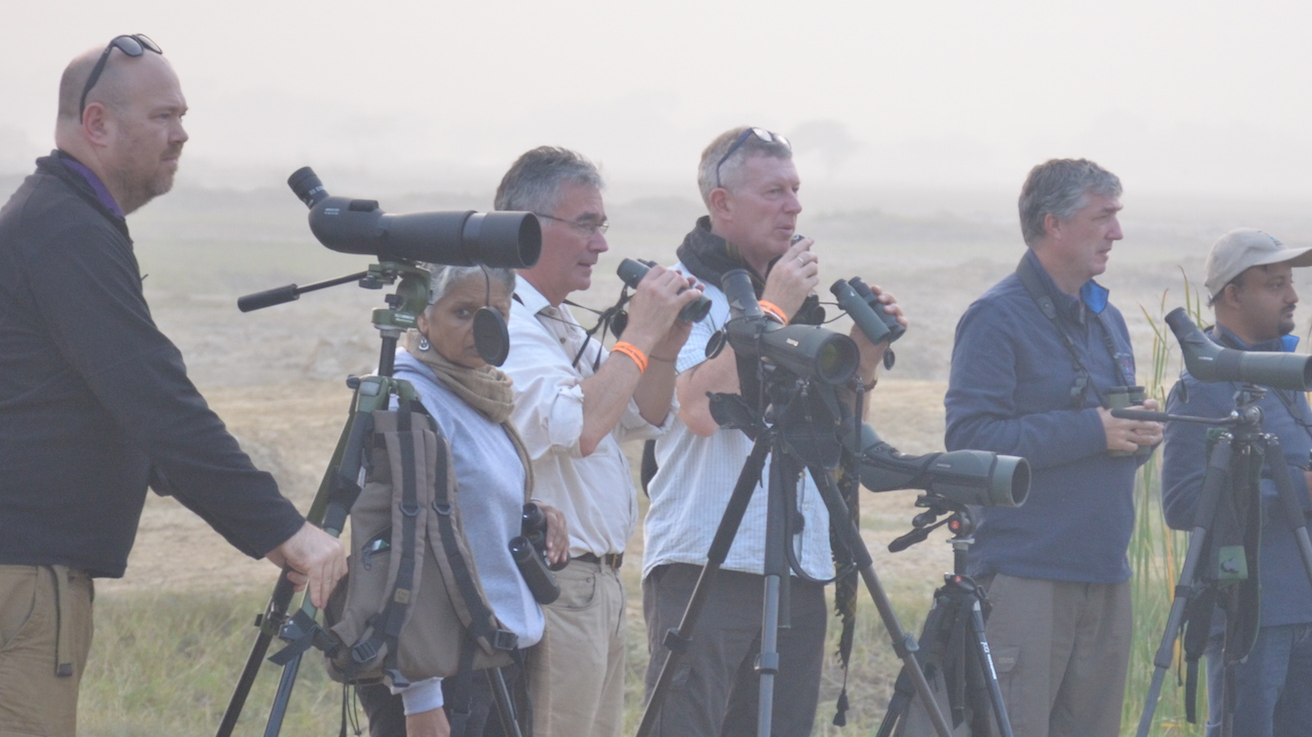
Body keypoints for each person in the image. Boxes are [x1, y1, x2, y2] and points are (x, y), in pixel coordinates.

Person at [0, 36, 345, 736]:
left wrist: (266, 523)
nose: (181, 133)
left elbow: (131, 412)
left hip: (2, 582)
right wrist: (286, 532)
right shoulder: (63, 228)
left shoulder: (67, 220)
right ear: (96, 123)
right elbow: (153, 400)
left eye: (183, 115)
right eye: (162, 116)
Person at [640, 126, 905, 736]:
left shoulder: (806, 302)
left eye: (796, 189)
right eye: (773, 192)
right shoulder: (675, 294)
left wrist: (863, 355)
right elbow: (698, 409)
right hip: (707, 558)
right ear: (722, 203)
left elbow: (840, 431)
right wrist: (773, 311)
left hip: (798, 562)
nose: (793, 206)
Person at [943, 157, 1162, 736]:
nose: (1117, 232)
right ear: (1054, 225)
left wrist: (1136, 434)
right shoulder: (995, 317)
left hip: (1104, 573)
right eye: (1104, 217)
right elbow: (970, 440)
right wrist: (1095, 429)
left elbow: (1104, 429)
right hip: (1026, 578)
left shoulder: (1106, 317)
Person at [493, 146, 702, 737]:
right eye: (586, 225)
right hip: (557, 582)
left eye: (602, 226)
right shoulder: (507, 322)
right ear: (528, 229)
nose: (602, 245)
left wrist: (662, 344)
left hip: (599, 586)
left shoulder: (557, 322)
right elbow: (582, 427)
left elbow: (640, 413)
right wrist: (638, 331)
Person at [1160, 229, 1312, 737]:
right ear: (1232, 296)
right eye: (1275, 284)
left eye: (1290, 283)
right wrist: (1299, 495)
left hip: (1310, 607)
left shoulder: (1279, 372)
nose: (1293, 297)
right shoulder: (1203, 387)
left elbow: (1299, 449)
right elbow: (1182, 503)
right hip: (1248, 619)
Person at [352, 265, 566, 737]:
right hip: (441, 670)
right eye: (464, 312)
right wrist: (420, 698)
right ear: (421, 318)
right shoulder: (405, 399)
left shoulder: (476, 390)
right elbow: (394, 552)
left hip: (495, 653)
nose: (484, 329)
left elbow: (463, 506)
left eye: (498, 314)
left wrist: (529, 513)